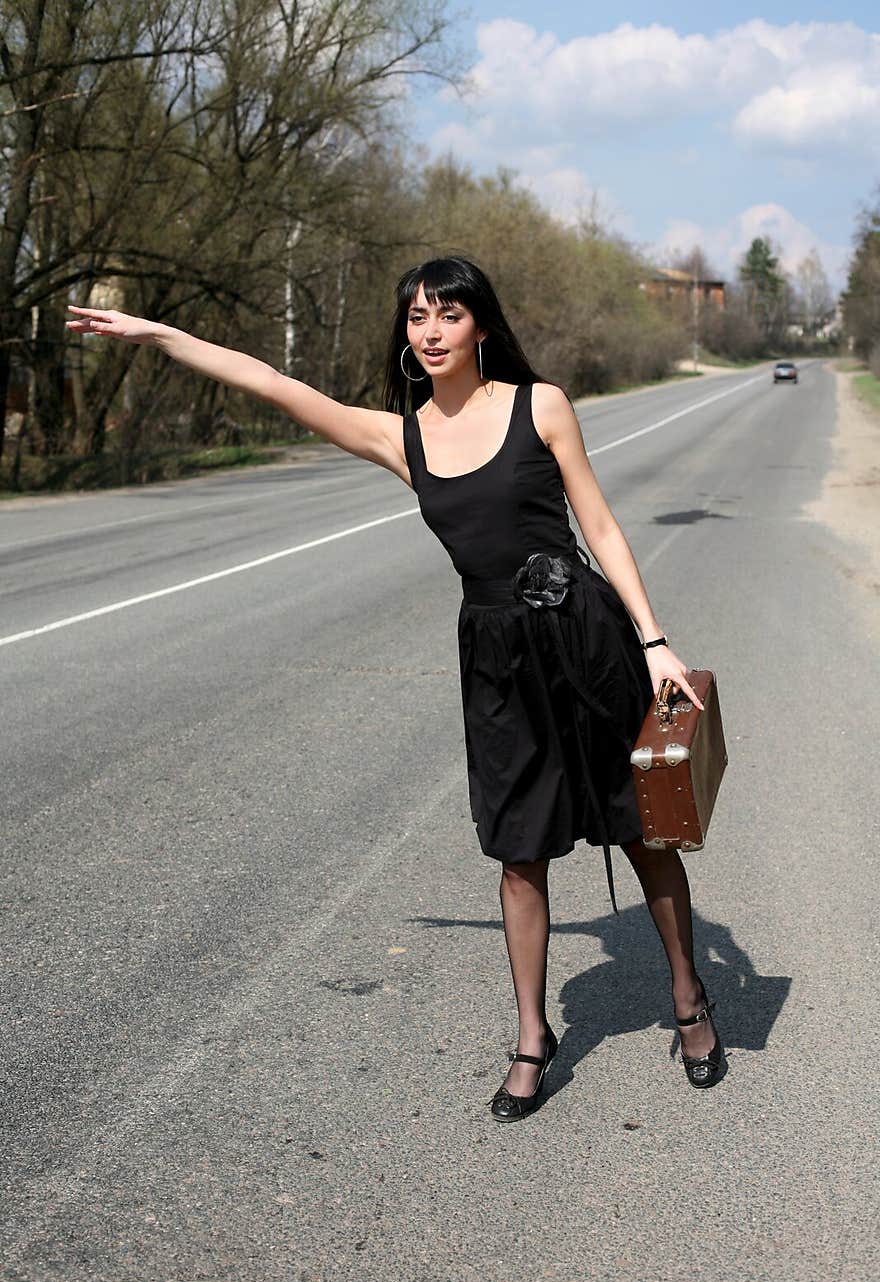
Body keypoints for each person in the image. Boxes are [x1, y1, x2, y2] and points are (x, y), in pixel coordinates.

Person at [66, 255, 724, 1120]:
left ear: (481, 326)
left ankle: (688, 996)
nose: (431, 330)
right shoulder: (399, 436)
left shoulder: (542, 406)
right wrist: (158, 333)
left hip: (587, 639)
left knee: (644, 832)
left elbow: (597, 524)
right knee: (517, 852)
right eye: (417, 317)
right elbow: (270, 381)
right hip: (497, 660)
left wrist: (655, 642)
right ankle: (533, 1035)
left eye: (449, 314)